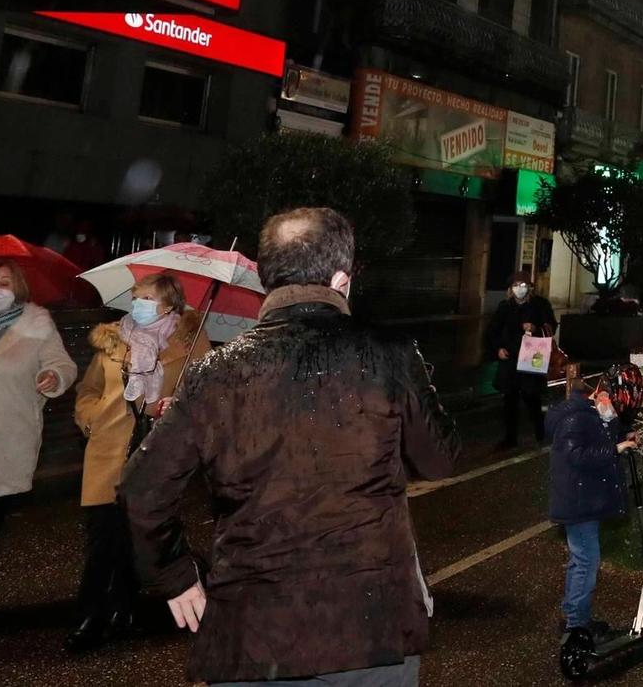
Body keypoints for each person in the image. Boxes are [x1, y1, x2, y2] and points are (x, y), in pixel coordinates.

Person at [121, 207, 458, 686]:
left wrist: (175, 575)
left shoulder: (216, 371)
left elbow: (142, 486)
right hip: (369, 626)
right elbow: (440, 459)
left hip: (253, 632)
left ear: (265, 276)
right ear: (342, 278)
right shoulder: (389, 355)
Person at [68, 273, 213, 653]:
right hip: (109, 448)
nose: (138, 304)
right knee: (103, 537)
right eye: (135, 296)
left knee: (139, 534)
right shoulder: (115, 338)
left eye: (146, 297)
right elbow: (89, 390)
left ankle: (124, 610)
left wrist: (175, 407)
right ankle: (90, 616)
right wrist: (90, 418)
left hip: (154, 452)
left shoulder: (190, 342)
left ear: (168, 303)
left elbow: (205, 394)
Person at [0, 259, 78, 631]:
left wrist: (53, 376)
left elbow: (63, 365)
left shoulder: (36, 325)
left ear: (18, 288)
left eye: (3, 282)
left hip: (3, 441)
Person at [548, 368, 638, 656]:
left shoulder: (593, 414)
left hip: (584, 500)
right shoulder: (576, 418)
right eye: (612, 404)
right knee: (586, 561)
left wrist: (621, 432)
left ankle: (577, 616)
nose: (612, 410)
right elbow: (576, 456)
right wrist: (615, 448)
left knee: (582, 560)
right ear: (600, 394)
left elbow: (601, 436)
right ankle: (576, 623)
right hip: (578, 503)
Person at [484, 268, 557, 448]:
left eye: (523, 285)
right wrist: (498, 349)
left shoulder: (540, 305)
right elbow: (492, 331)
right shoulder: (505, 307)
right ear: (511, 288)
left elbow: (551, 326)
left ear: (529, 288)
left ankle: (541, 431)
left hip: (532, 356)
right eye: (516, 285)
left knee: (532, 397)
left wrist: (535, 328)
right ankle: (510, 438)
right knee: (509, 399)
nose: (520, 289)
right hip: (510, 359)